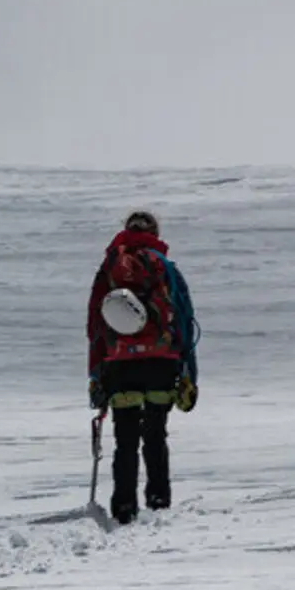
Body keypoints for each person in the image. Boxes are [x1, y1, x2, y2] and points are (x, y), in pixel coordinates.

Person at [88, 210, 200, 524]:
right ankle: (158, 500)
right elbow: (184, 322)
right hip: (161, 364)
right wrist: (189, 372)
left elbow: (95, 327)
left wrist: (95, 375)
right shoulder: (166, 268)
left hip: (119, 365)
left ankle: (123, 506)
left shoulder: (110, 269)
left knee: (124, 439)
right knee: (155, 434)